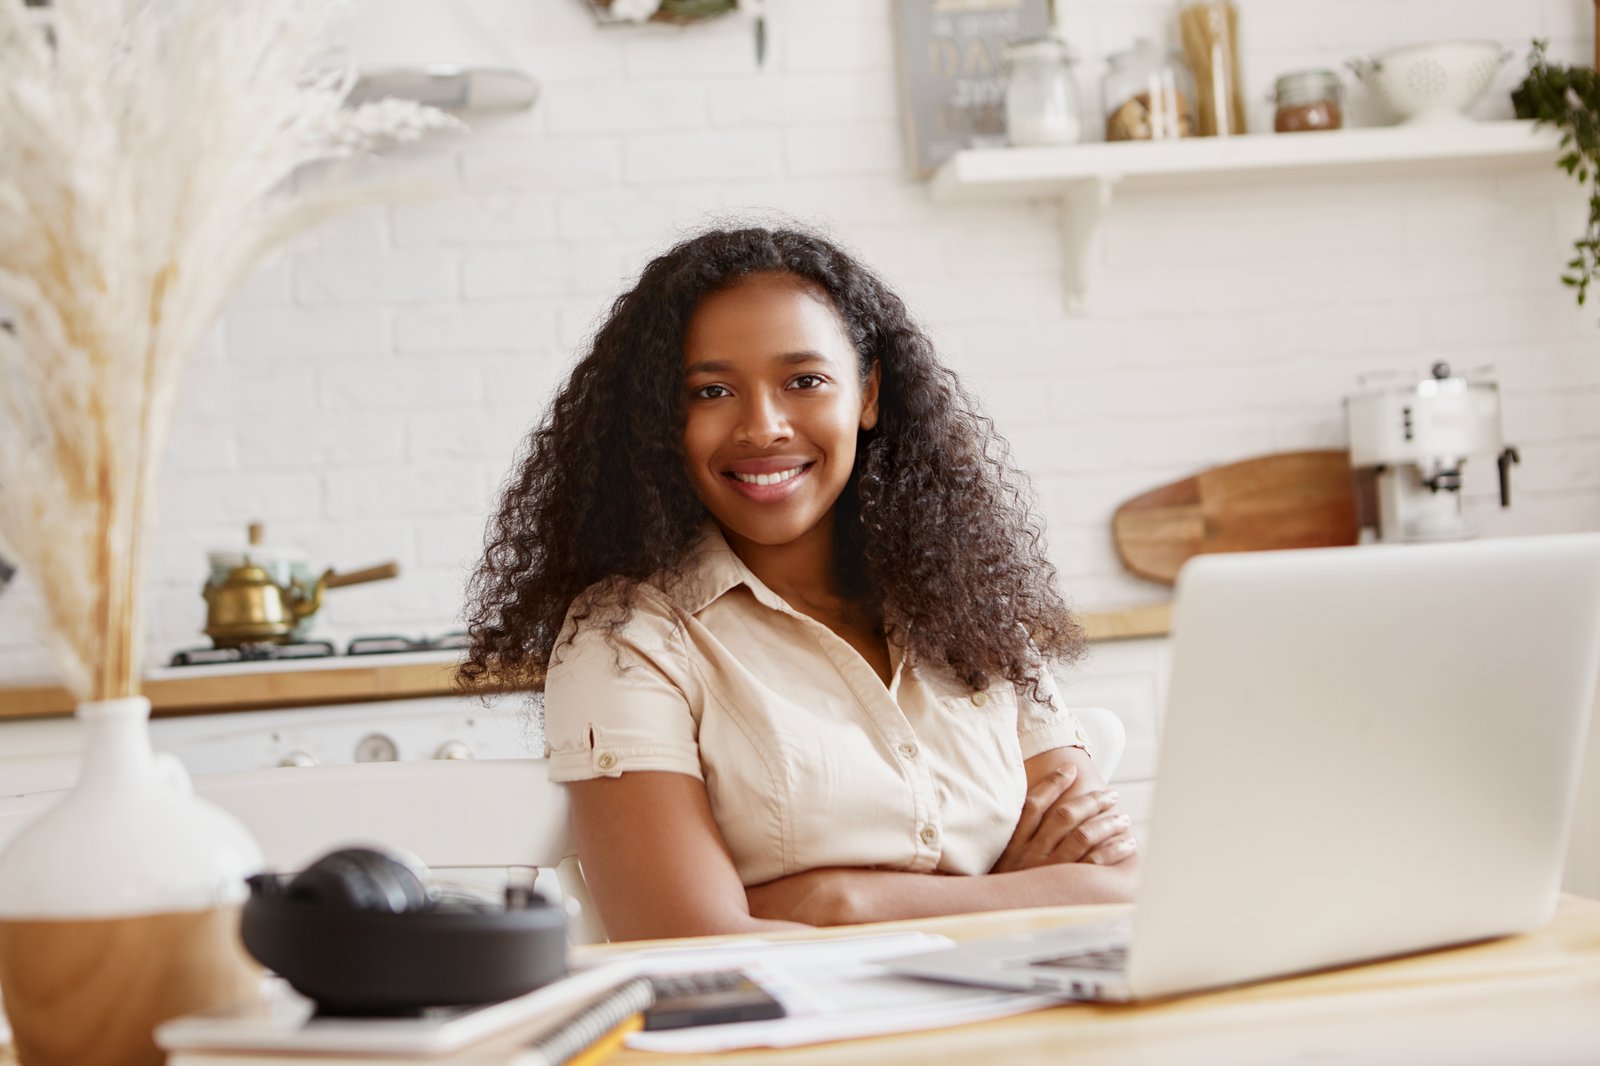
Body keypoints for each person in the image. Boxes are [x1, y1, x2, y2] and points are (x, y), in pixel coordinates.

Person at [461, 226, 1138, 941]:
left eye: (804, 381)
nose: (763, 426)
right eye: (711, 390)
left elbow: (1123, 884)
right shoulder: (626, 637)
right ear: (663, 422)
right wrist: (1022, 891)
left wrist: (838, 905)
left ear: (868, 395)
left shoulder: (966, 606)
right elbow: (687, 942)